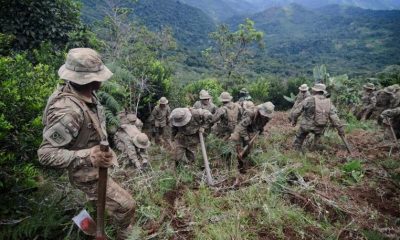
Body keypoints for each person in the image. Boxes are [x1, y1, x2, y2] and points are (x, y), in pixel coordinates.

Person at [37, 48, 134, 239]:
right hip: (85, 174)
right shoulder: (69, 111)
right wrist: (88, 155)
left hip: (96, 168)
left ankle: (90, 225)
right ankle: (121, 234)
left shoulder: (87, 94)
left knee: (95, 207)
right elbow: (45, 153)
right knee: (126, 206)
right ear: (90, 79)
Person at [291, 83, 345, 151]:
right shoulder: (328, 102)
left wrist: (294, 121)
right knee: (317, 142)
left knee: (299, 138)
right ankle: (315, 150)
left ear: (315, 91)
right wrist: (340, 130)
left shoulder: (308, 99)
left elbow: (296, 112)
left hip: (306, 126)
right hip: (319, 126)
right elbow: (335, 118)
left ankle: (296, 151)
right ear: (323, 91)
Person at [230, 102, 275, 172]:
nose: (264, 116)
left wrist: (261, 129)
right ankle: (232, 161)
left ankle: (243, 161)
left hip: (250, 129)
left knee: (248, 147)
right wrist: (246, 138)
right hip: (241, 127)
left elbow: (262, 124)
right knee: (235, 140)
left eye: (266, 115)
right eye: (263, 114)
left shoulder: (267, 117)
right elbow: (242, 127)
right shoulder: (251, 113)